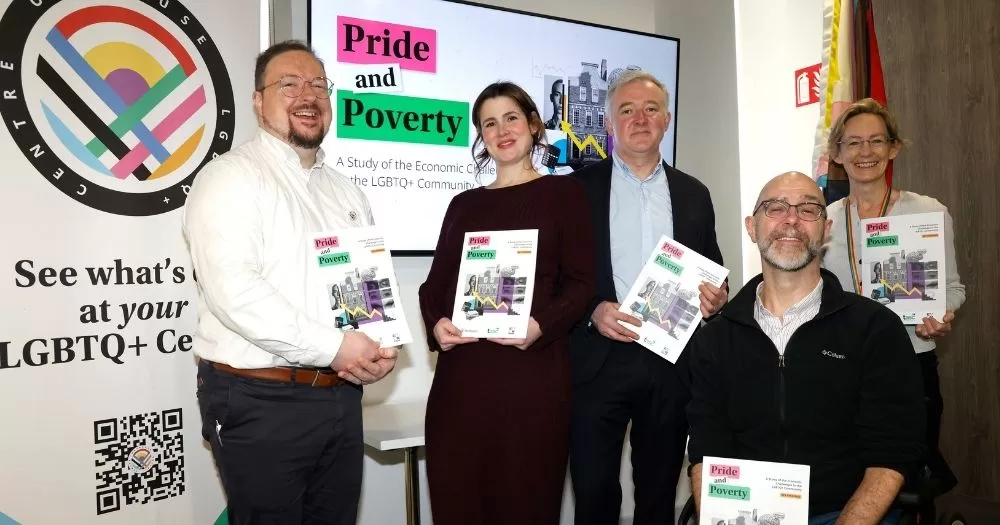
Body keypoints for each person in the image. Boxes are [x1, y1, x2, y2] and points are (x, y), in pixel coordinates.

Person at [182, 40, 398, 525]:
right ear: (258, 101)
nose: (308, 95)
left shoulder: (348, 191)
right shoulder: (228, 178)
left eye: (318, 85)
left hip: (341, 397)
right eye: (290, 84)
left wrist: (380, 348)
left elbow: (364, 287)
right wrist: (339, 347)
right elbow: (234, 290)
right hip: (260, 400)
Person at [686, 172, 926, 525]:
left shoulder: (874, 328)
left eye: (809, 209)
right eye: (775, 208)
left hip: (845, 514)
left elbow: (892, 454)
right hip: (746, 515)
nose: (792, 219)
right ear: (752, 228)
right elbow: (706, 453)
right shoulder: (715, 340)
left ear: (826, 229)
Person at [417, 81, 596, 524]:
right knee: (458, 504)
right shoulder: (463, 204)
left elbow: (582, 284)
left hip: (531, 381)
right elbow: (433, 288)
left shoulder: (565, 194)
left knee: (526, 504)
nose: (502, 130)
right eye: (489, 123)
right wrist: (438, 324)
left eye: (511, 117)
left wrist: (537, 326)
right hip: (462, 385)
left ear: (534, 125)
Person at [567, 69, 728, 525]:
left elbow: (714, 268)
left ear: (667, 119)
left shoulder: (695, 194)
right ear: (608, 123)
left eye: (651, 109)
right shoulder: (574, 191)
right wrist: (592, 310)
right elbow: (556, 277)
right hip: (596, 359)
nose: (640, 118)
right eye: (627, 109)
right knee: (594, 493)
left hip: (670, 362)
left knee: (658, 494)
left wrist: (716, 297)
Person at [821, 98, 965, 492]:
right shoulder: (823, 220)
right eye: (853, 143)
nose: (865, 152)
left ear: (893, 147)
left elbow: (952, 288)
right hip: (841, 370)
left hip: (910, 366)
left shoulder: (928, 212)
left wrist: (942, 313)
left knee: (907, 480)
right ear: (837, 153)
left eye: (876, 141)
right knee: (849, 480)